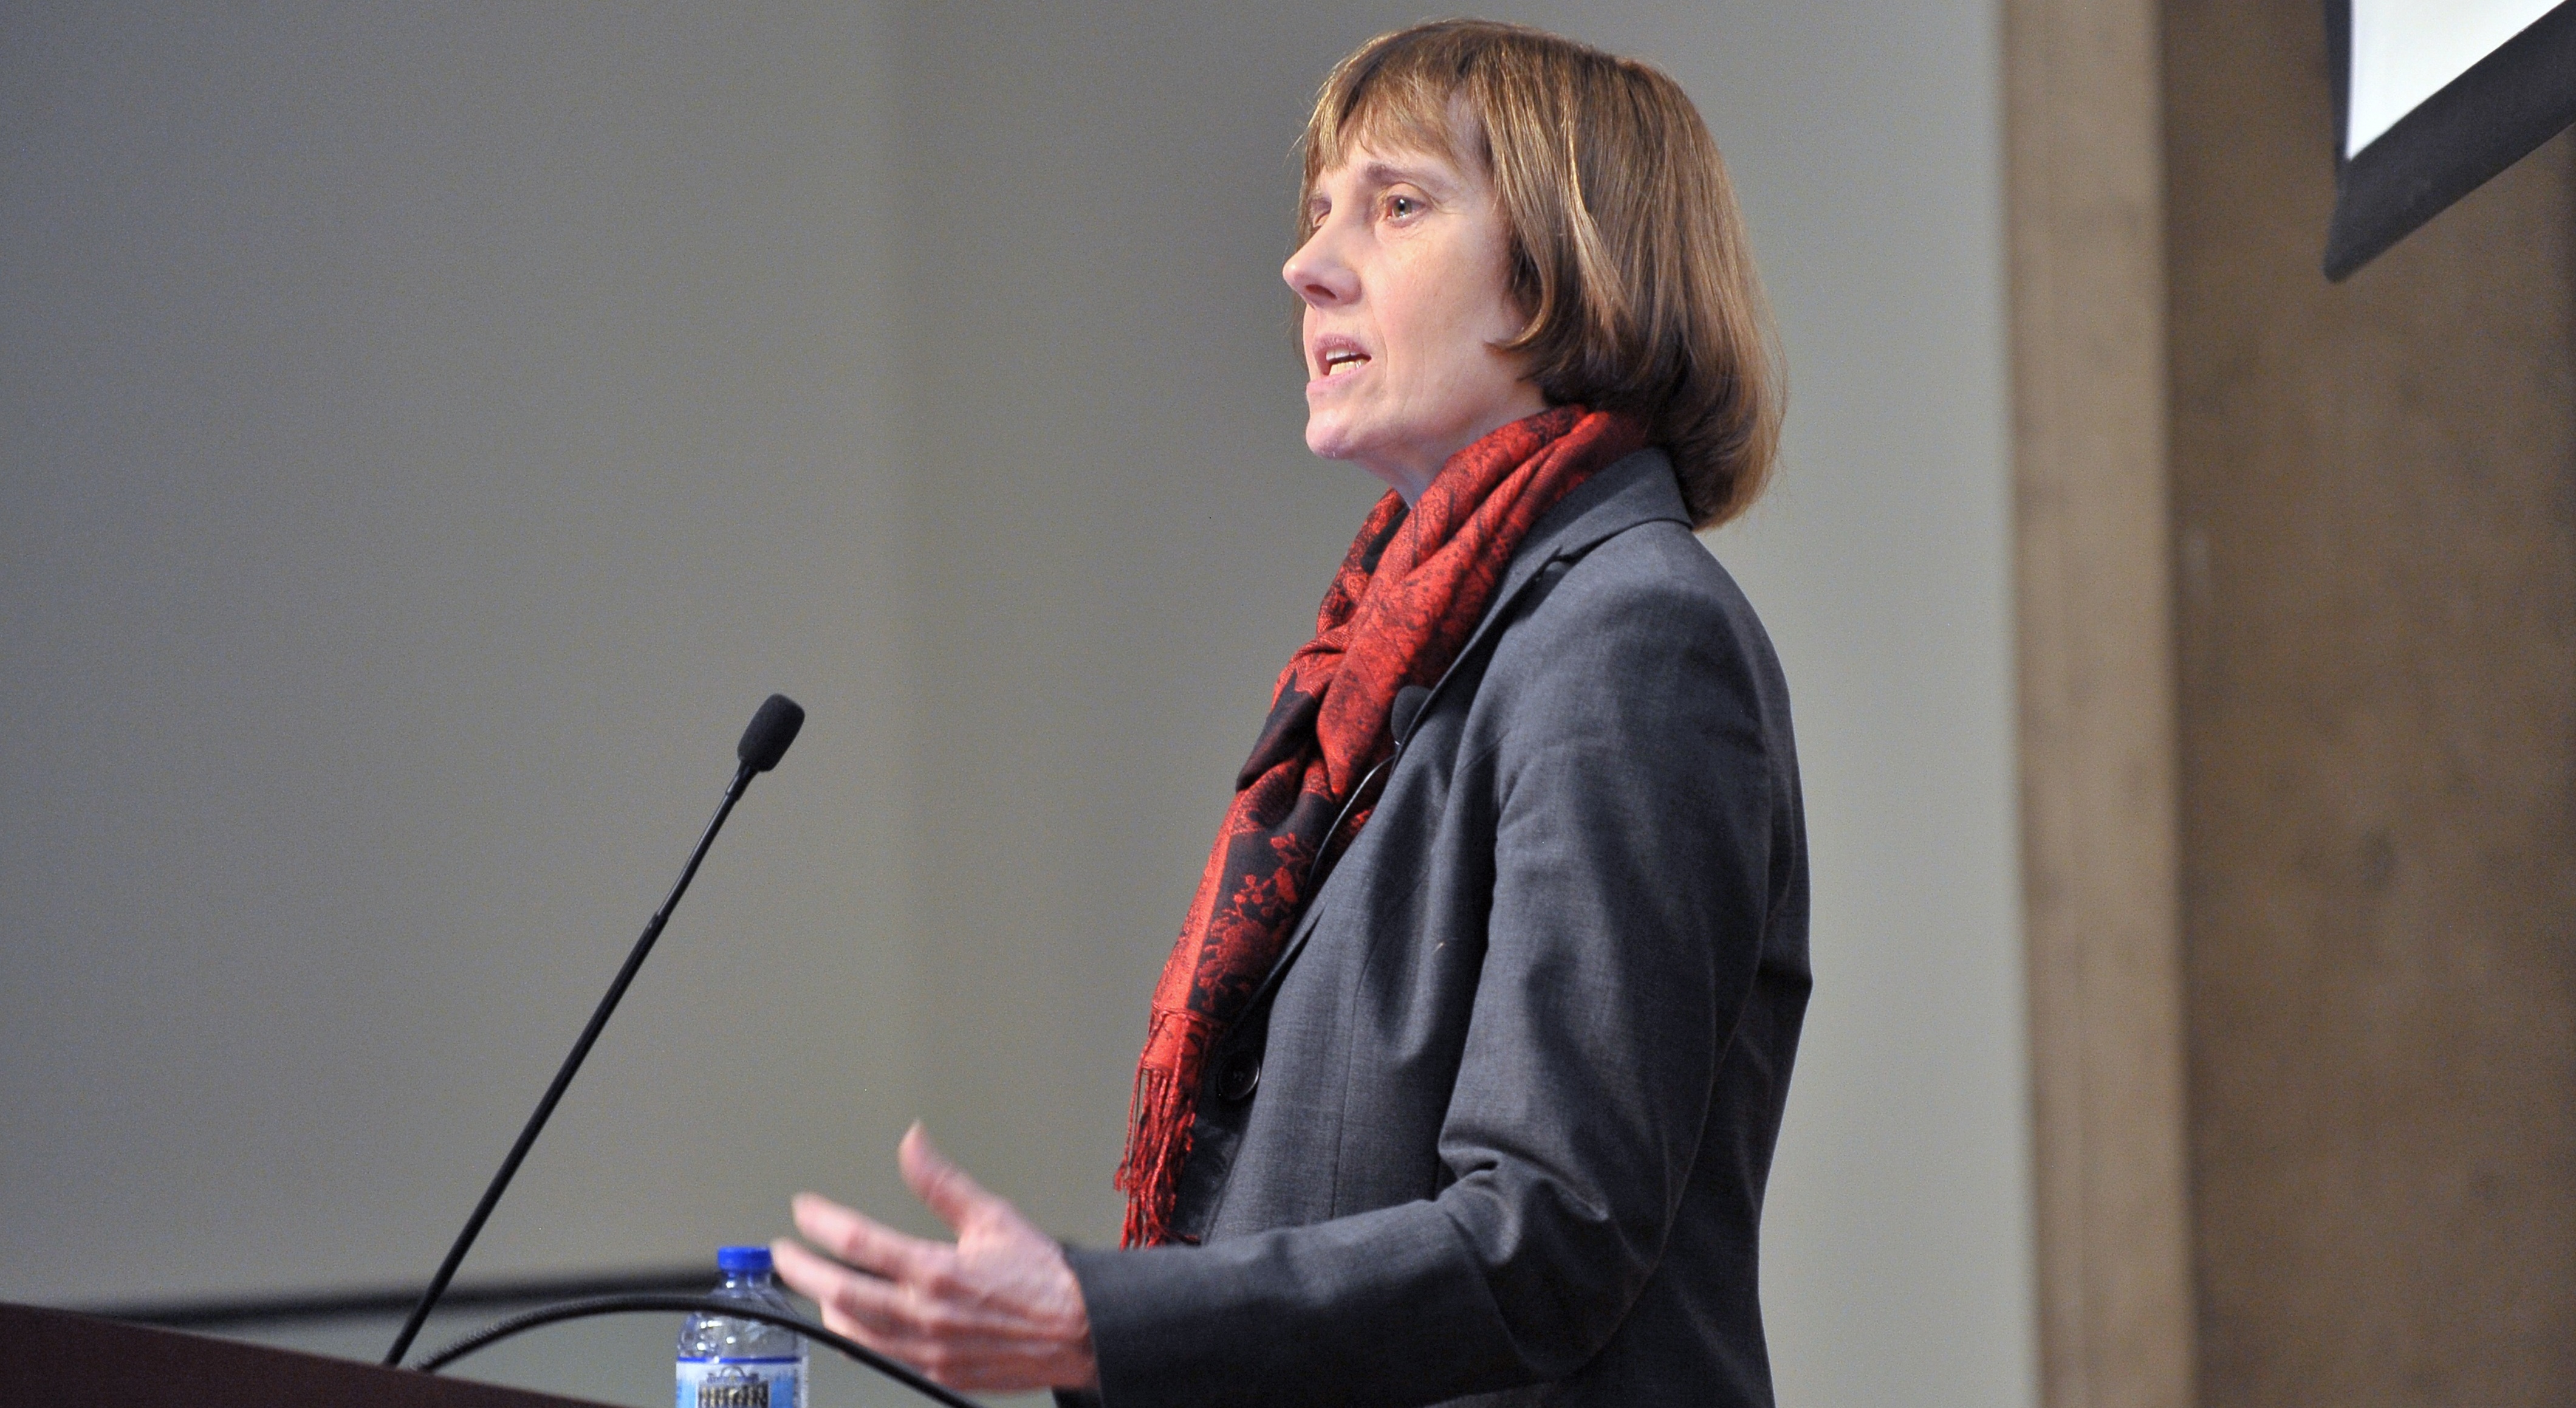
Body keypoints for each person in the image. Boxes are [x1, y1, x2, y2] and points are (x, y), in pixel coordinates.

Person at [770, 19, 1808, 1406]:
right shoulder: (1390, 671)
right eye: (1319, 211)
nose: (1307, 264)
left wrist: (1107, 1318)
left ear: (1573, 268)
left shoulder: (1630, 635)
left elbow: (1551, 1233)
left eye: (1397, 204)